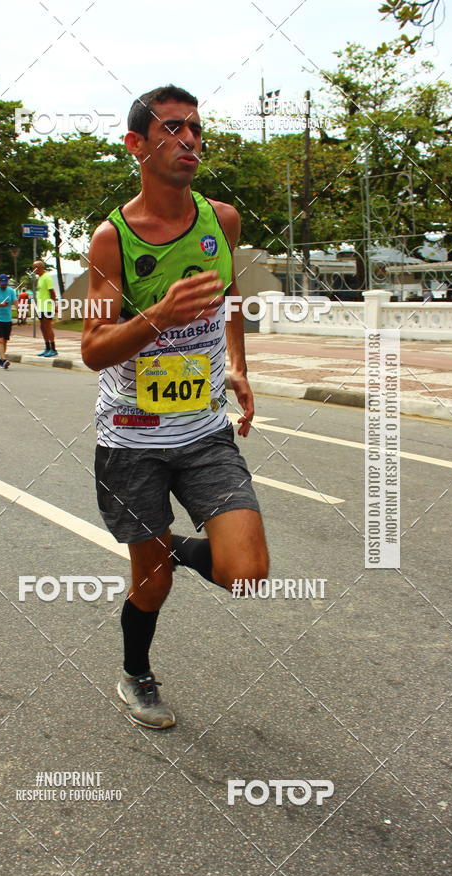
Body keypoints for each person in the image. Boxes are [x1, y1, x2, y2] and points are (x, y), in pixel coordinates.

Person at [82, 85, 269, 729]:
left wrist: (238, 364)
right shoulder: (112, 240)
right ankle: (136, 673)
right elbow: (93, 348)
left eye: (195, 129)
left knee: (246, 573)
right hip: (131, 438)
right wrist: (158, 315)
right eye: (172, 128)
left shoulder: (223, 220)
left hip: (204, 430)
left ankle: (177, 549)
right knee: (151, 583)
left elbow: (230, 295)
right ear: (136, 144)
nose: (189, 139)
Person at [32, 260, 58, 357]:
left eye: (35, 268)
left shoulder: (47, 277)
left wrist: (54, 305)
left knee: (48, 327)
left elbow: (52, 293)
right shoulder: (40, 278)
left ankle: (53, 348)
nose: (34, 270)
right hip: (40, 307)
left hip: (47, 307)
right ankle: (47, 348)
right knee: (42, 327)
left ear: (40, 268)